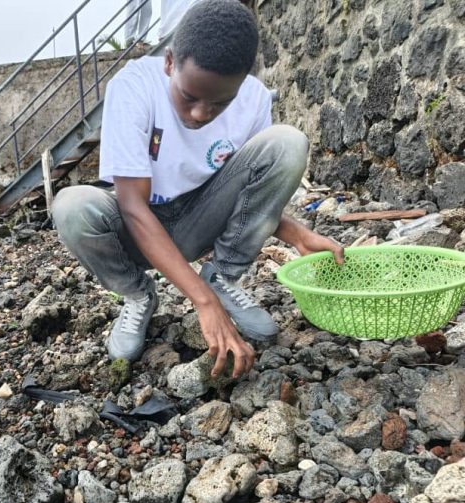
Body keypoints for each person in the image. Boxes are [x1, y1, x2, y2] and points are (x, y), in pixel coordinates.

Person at [52, 0, 343, 379]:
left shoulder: (254, 98)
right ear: (170, 62)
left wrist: (297, 235)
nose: (200, 114)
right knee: (72, 206)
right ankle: (139, 294)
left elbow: (249, 192)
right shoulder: (134, 86)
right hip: (138, 227)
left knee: (287, 143)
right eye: (189, 97)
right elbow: (132, 207)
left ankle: (221, 276)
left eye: (220, 102)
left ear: (241, 82)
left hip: (199, 221)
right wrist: (203, 304)